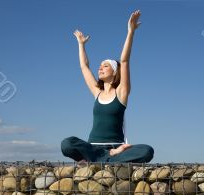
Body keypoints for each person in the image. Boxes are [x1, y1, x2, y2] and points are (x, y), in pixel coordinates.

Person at [61, 10, 154, 164]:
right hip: (93, 148)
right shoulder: (97, 93)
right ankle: (106, 160)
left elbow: (124, 61)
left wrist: (130, 32)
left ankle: (102, 160)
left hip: (117, 148)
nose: (100, 68)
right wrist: (81, 44)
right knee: (67, 143)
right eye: (100, 66)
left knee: (146, 151)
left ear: (115, 72)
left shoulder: (121, 93)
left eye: (105, 66)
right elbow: (84, 67)